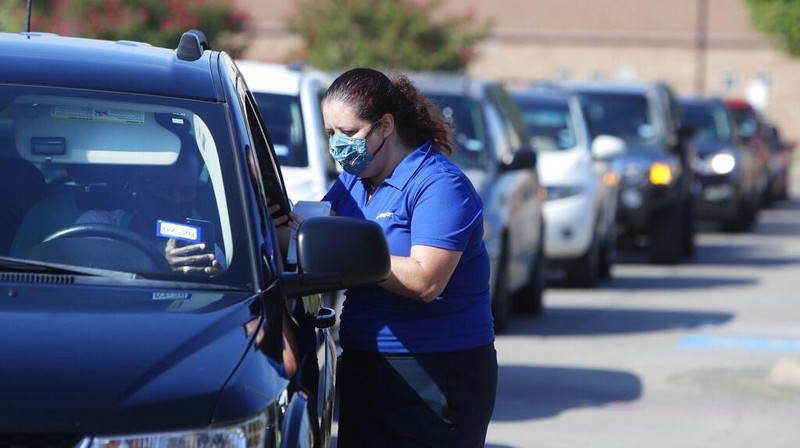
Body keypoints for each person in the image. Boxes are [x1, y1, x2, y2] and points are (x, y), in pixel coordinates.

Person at [273, 67, 497, 447]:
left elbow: (426, 280)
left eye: (348, 133)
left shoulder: (439, 184)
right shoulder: (353, 182)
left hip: (436, 372)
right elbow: (311, 244)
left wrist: (348, 252)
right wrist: (266, 222)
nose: (338, 145)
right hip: (365, 363)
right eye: (331, 134)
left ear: (385, 126)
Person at [75, 148, 223, 275]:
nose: (176, 200)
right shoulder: (97, 227)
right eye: (165, 189)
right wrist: (159, 267)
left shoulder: (201, 250)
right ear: (137, 186)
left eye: (187, 192)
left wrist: (211, 275)